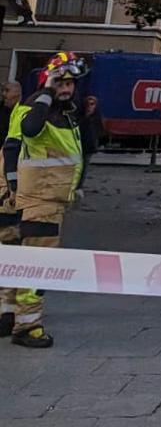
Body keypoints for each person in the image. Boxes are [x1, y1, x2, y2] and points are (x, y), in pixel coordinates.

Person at [3, 53, 87, 348]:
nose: (66, 88)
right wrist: (47, 92)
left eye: (70, 83)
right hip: (41, 198)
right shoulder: (40, 107)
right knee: (37, 265)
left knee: (20, 259)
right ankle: (27, 326)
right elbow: (27, 132)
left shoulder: (66, 112)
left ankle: (9, 314)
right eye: (61, 82)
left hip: (51, 198)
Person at [0, 81, 24, 335]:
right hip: (7, 196)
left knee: (9, 253)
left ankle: (7, 310)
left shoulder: (18, 115)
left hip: (8, 201)